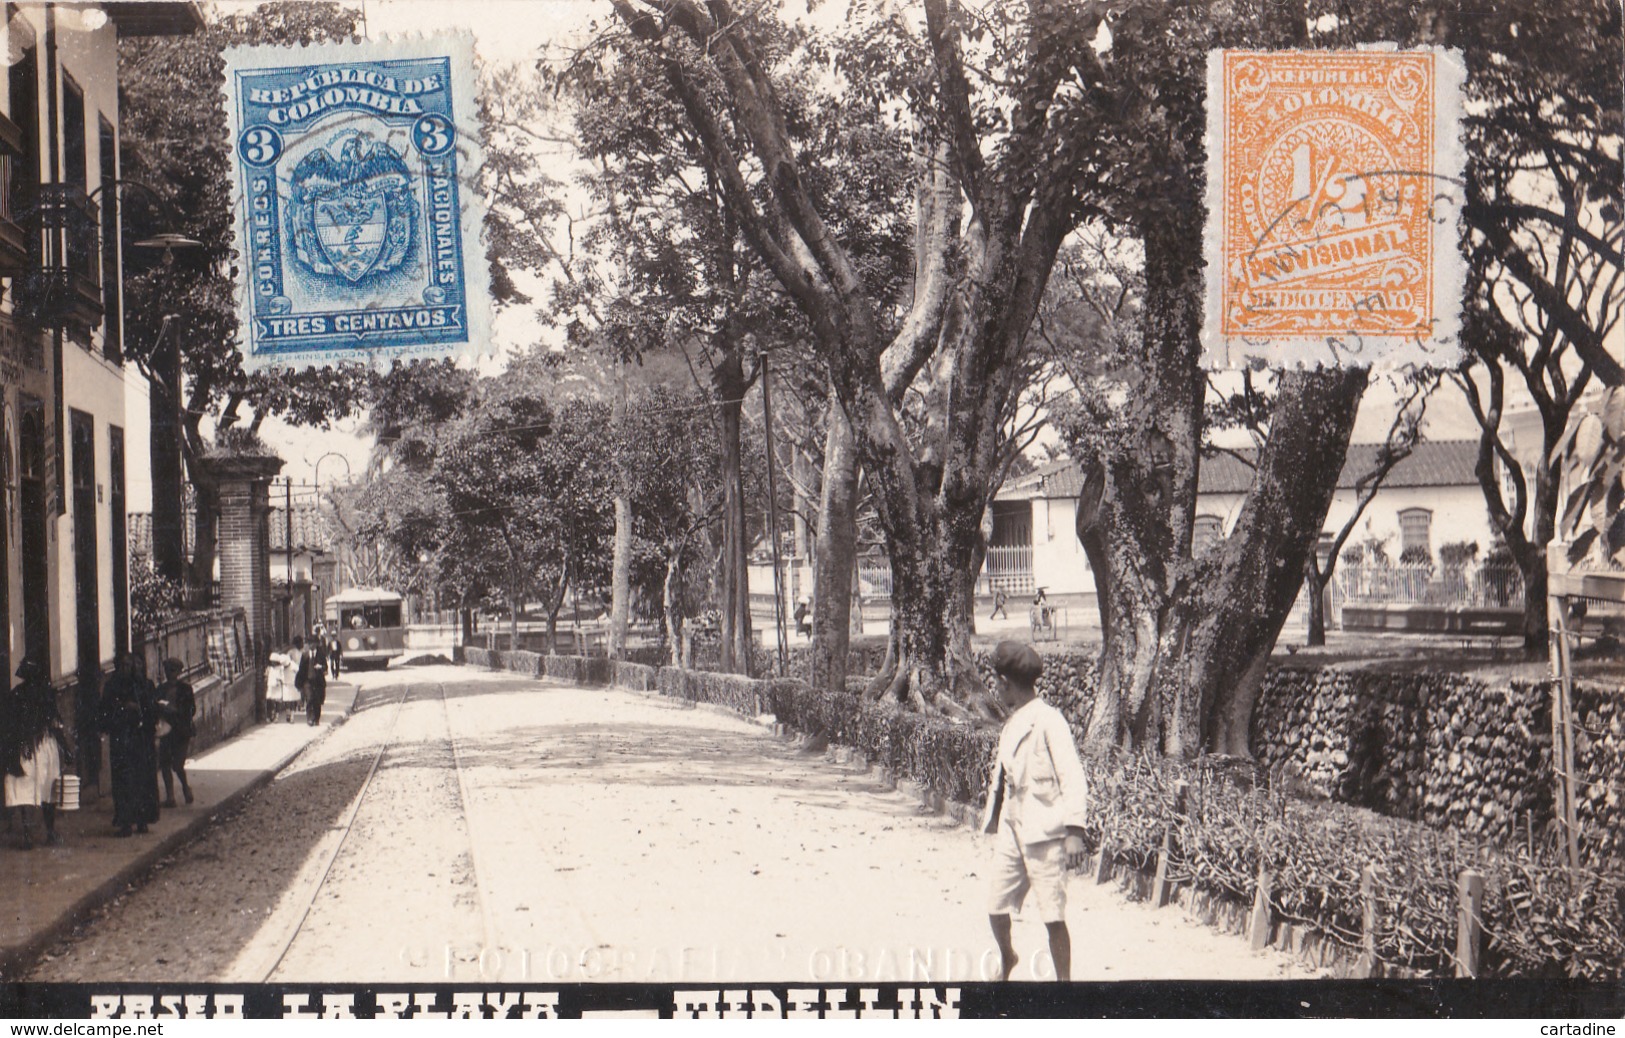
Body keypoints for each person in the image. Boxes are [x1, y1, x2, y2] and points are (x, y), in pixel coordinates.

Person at [980, 640, 1088, 981]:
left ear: (1006, 682)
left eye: (997, 683)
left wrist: (1074, 831)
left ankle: (1065, 986)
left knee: (1052, 915)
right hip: (1014, 826)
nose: (996, 689)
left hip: (1045, 830)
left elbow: (1072, 776)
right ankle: (1008, 955)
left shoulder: (1048, 720)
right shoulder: (1013, 722)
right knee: (996, 905)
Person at [4, 658, 68, 848]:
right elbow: (11, 725)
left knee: (48, 787)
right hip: (27, 748)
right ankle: (28, 834)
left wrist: (64, 747)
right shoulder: (16, 696)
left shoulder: (46, 695)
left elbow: (55, 722)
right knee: (26, 788)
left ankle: (49, 831)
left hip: (44, 745)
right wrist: (19, 744)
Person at [100, 652, 160, 837]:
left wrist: (143, 713)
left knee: (143, 780)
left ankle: (142, 820)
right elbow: (104, 711)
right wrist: (123, 709)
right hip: (122, 738)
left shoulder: (144, 685)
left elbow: (153, 710)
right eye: (123, 665)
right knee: (123, 781)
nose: (127, 669)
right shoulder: (112, 687)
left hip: (141, 739)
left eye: (130, 665)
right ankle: (125, 822)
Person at [154, 658, 196, 808]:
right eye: (167, 670)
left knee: (178, 764)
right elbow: (154, 707)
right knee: (165, 763)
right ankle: (170, 796)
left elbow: (192, 710)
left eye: (173, 670)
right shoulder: (160, 689)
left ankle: (185, 787)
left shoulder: (186, 689)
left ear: (179, 672)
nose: (169, 673)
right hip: (166, 730)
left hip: (181, 731)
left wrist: (175, 711)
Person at [297, 639, 328, 726]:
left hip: (318, 681)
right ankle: (310, 718)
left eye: (312, 643)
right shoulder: (305, 655)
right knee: (309, 698)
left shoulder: (321, 655)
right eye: (309, 643)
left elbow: (326, 667)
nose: (311, 645)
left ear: (316, 644)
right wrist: (300, 683)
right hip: (307, 681)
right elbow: (301, 669)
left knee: (317, 701)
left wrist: (321, 667)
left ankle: (316, 719)